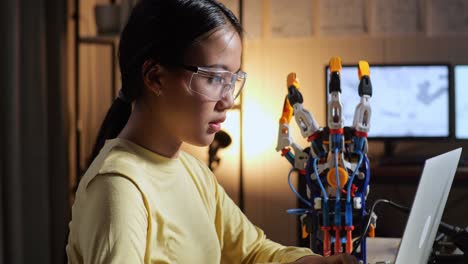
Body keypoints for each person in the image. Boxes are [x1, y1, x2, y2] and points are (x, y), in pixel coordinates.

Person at [66, 0, 358, 263]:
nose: (229, 100)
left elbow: (252, 252)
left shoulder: (193, 172)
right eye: (215, 78)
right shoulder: (119, 188)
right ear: (155, 77)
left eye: (232, 80)